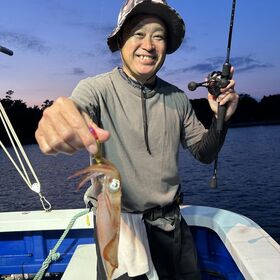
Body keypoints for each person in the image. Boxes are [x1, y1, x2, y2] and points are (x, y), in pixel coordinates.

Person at [35, 0, 239, 279]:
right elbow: (75, 109)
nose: (149, 45)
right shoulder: (95, 89)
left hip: (171, 226)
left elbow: (204, 153)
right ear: (121, 40)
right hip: (117, 229)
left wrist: (220, 118)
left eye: (159, 36)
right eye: (138, 33)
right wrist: (58, 119)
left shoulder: (178, 98)